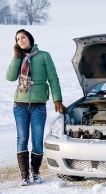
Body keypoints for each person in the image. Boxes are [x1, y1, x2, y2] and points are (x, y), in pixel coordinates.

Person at [6, 29, 66, 186]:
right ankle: (24, 175)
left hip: (38, 105)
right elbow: (11, 77)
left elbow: (53, 78)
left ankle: (36, 172)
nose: (21, 40)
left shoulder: (44, 56)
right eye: (18, 39)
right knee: (22, 139)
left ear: (30, 39)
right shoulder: (19, 58)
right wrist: (16, 57)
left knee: (37, 140)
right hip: (20, 105)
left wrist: (57, 99)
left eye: (23, 37)